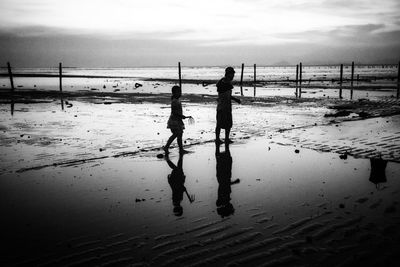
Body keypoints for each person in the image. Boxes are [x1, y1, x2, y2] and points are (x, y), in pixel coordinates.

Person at [163, 85, 192, 154]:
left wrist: (181, 116)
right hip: (174, 121)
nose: (180, 93)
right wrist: (181, 116)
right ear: (174, 93)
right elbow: (174, 112)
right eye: (178, 92)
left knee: (180, 134)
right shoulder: (174, 101)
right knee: (176, 134)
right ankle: (166, 147)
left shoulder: (177, 100)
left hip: (178, 120)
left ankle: (181, 149)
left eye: (180, 92)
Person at [216, 67, 241, 144]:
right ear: (228, 74)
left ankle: (226, 138)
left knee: (228, 124)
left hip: (226, 106)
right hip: (222, 106)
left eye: (233, 74)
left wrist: (235, 99)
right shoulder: (224, 82)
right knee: (220, 124)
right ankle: (218, 139)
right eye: (232, 74)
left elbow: (228, 95)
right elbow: (222, 91)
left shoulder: (224, 82)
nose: (233, 76)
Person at [215, 143, 240, 217]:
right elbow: (226, 184)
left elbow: (225, 184)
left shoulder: (224, 199)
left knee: (223, 158)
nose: (232, 205)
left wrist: (234, 182)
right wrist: (234, 182)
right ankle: (223, 144)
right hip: (223, 173)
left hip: (223, 173)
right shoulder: (224, 198)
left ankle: (222, 144)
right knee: (224, 158)